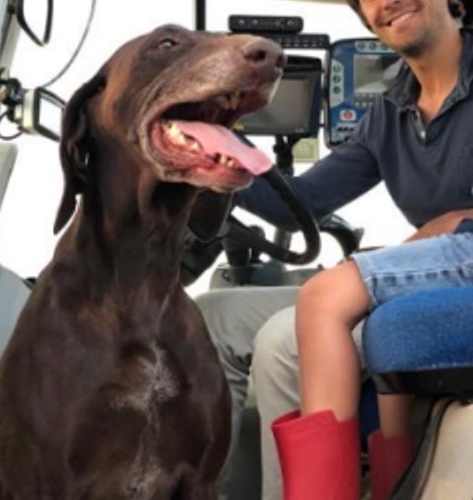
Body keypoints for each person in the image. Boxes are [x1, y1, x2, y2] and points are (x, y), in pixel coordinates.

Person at [196, 0, 473, 498]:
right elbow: (299, 203)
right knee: (214, 316)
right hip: (425, 263)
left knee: (291, 332)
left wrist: (457, 224)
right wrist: (220, 151)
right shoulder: (388, 114)